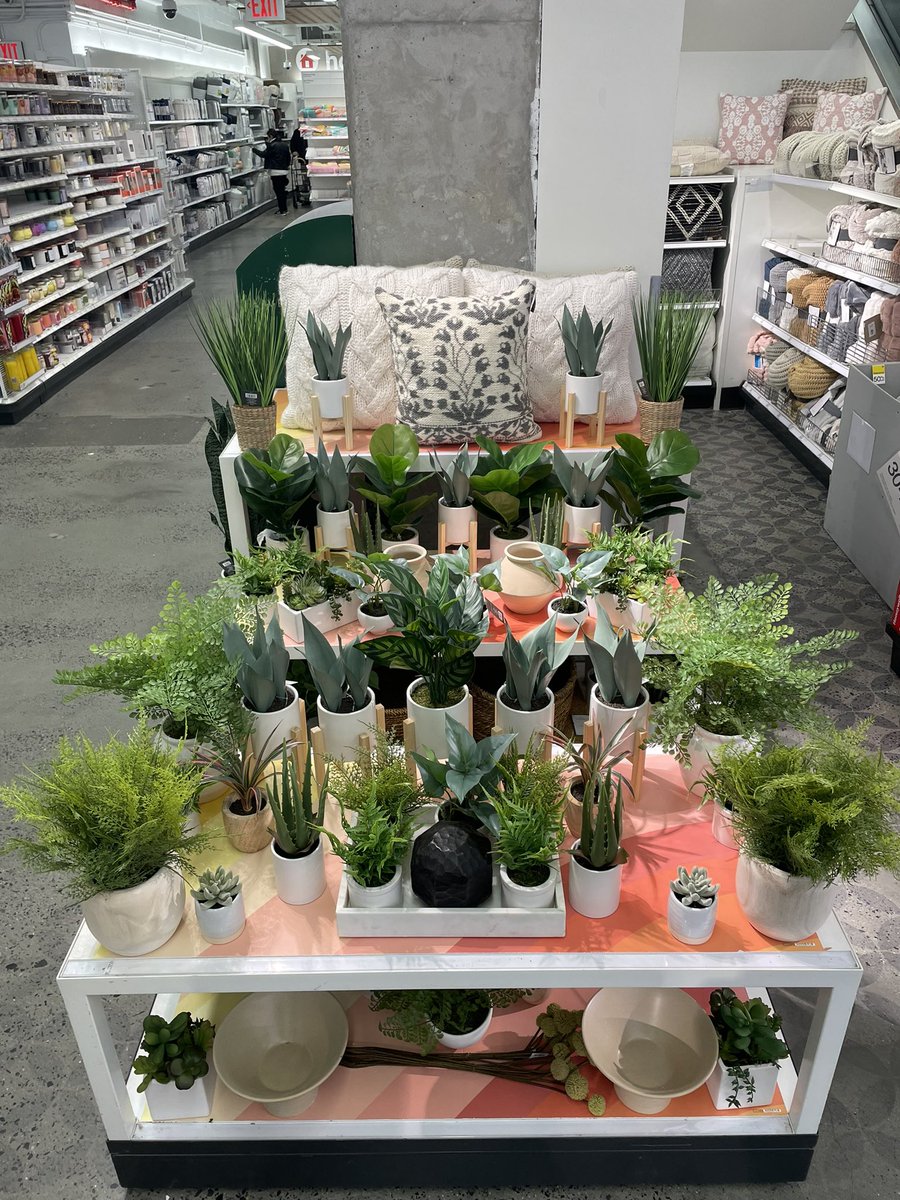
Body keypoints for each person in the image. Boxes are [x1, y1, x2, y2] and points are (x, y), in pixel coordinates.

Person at [252, 128, 291, 215]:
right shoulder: (285, 145)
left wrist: (254, 150)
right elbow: (288, 157)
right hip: (284, 170)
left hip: (275, 171)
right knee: (282, 190)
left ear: (270, 136)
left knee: (278, 190)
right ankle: (284, 209)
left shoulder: (272, 145)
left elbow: (264, 155)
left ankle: (282, 210)